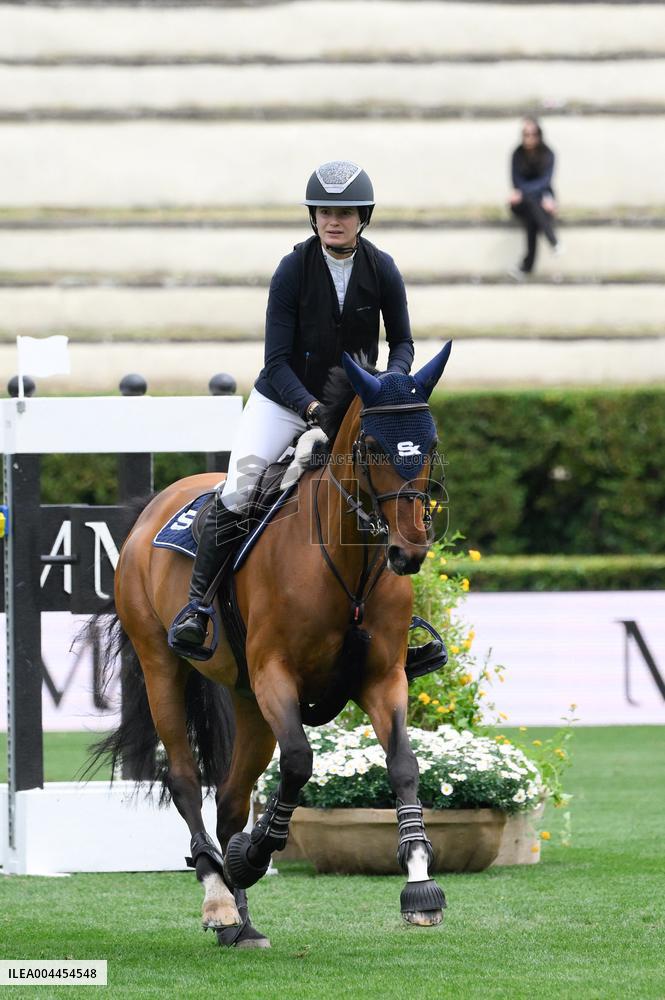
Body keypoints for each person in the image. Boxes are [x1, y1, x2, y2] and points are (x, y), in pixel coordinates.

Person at [171, 159, 415, 653]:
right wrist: (310, 413)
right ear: (313, 217)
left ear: (362, 217)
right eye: (324, 210)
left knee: (393, 490)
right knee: (239, 491)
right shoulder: (292, 269)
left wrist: (390, 386)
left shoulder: (382, 267)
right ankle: (197, 609)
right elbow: (276, 361)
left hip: (355, 405)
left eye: (344, 212)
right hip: (285, 400)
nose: (333, 220)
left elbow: (404, 344)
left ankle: (405, 632)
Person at [508, 117, 562, 278]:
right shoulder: (517, 154)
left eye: (532, 134)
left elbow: (546, 181)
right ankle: (552, 240)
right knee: (532, 204)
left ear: (539, 135)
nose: (529, 138)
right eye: (525, 134)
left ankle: (526, 266)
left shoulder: (548, 154)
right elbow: (515, 181)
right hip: (521, 203)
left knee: (532, 214)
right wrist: (527, 193)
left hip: (540, 202)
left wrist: (544, 197)